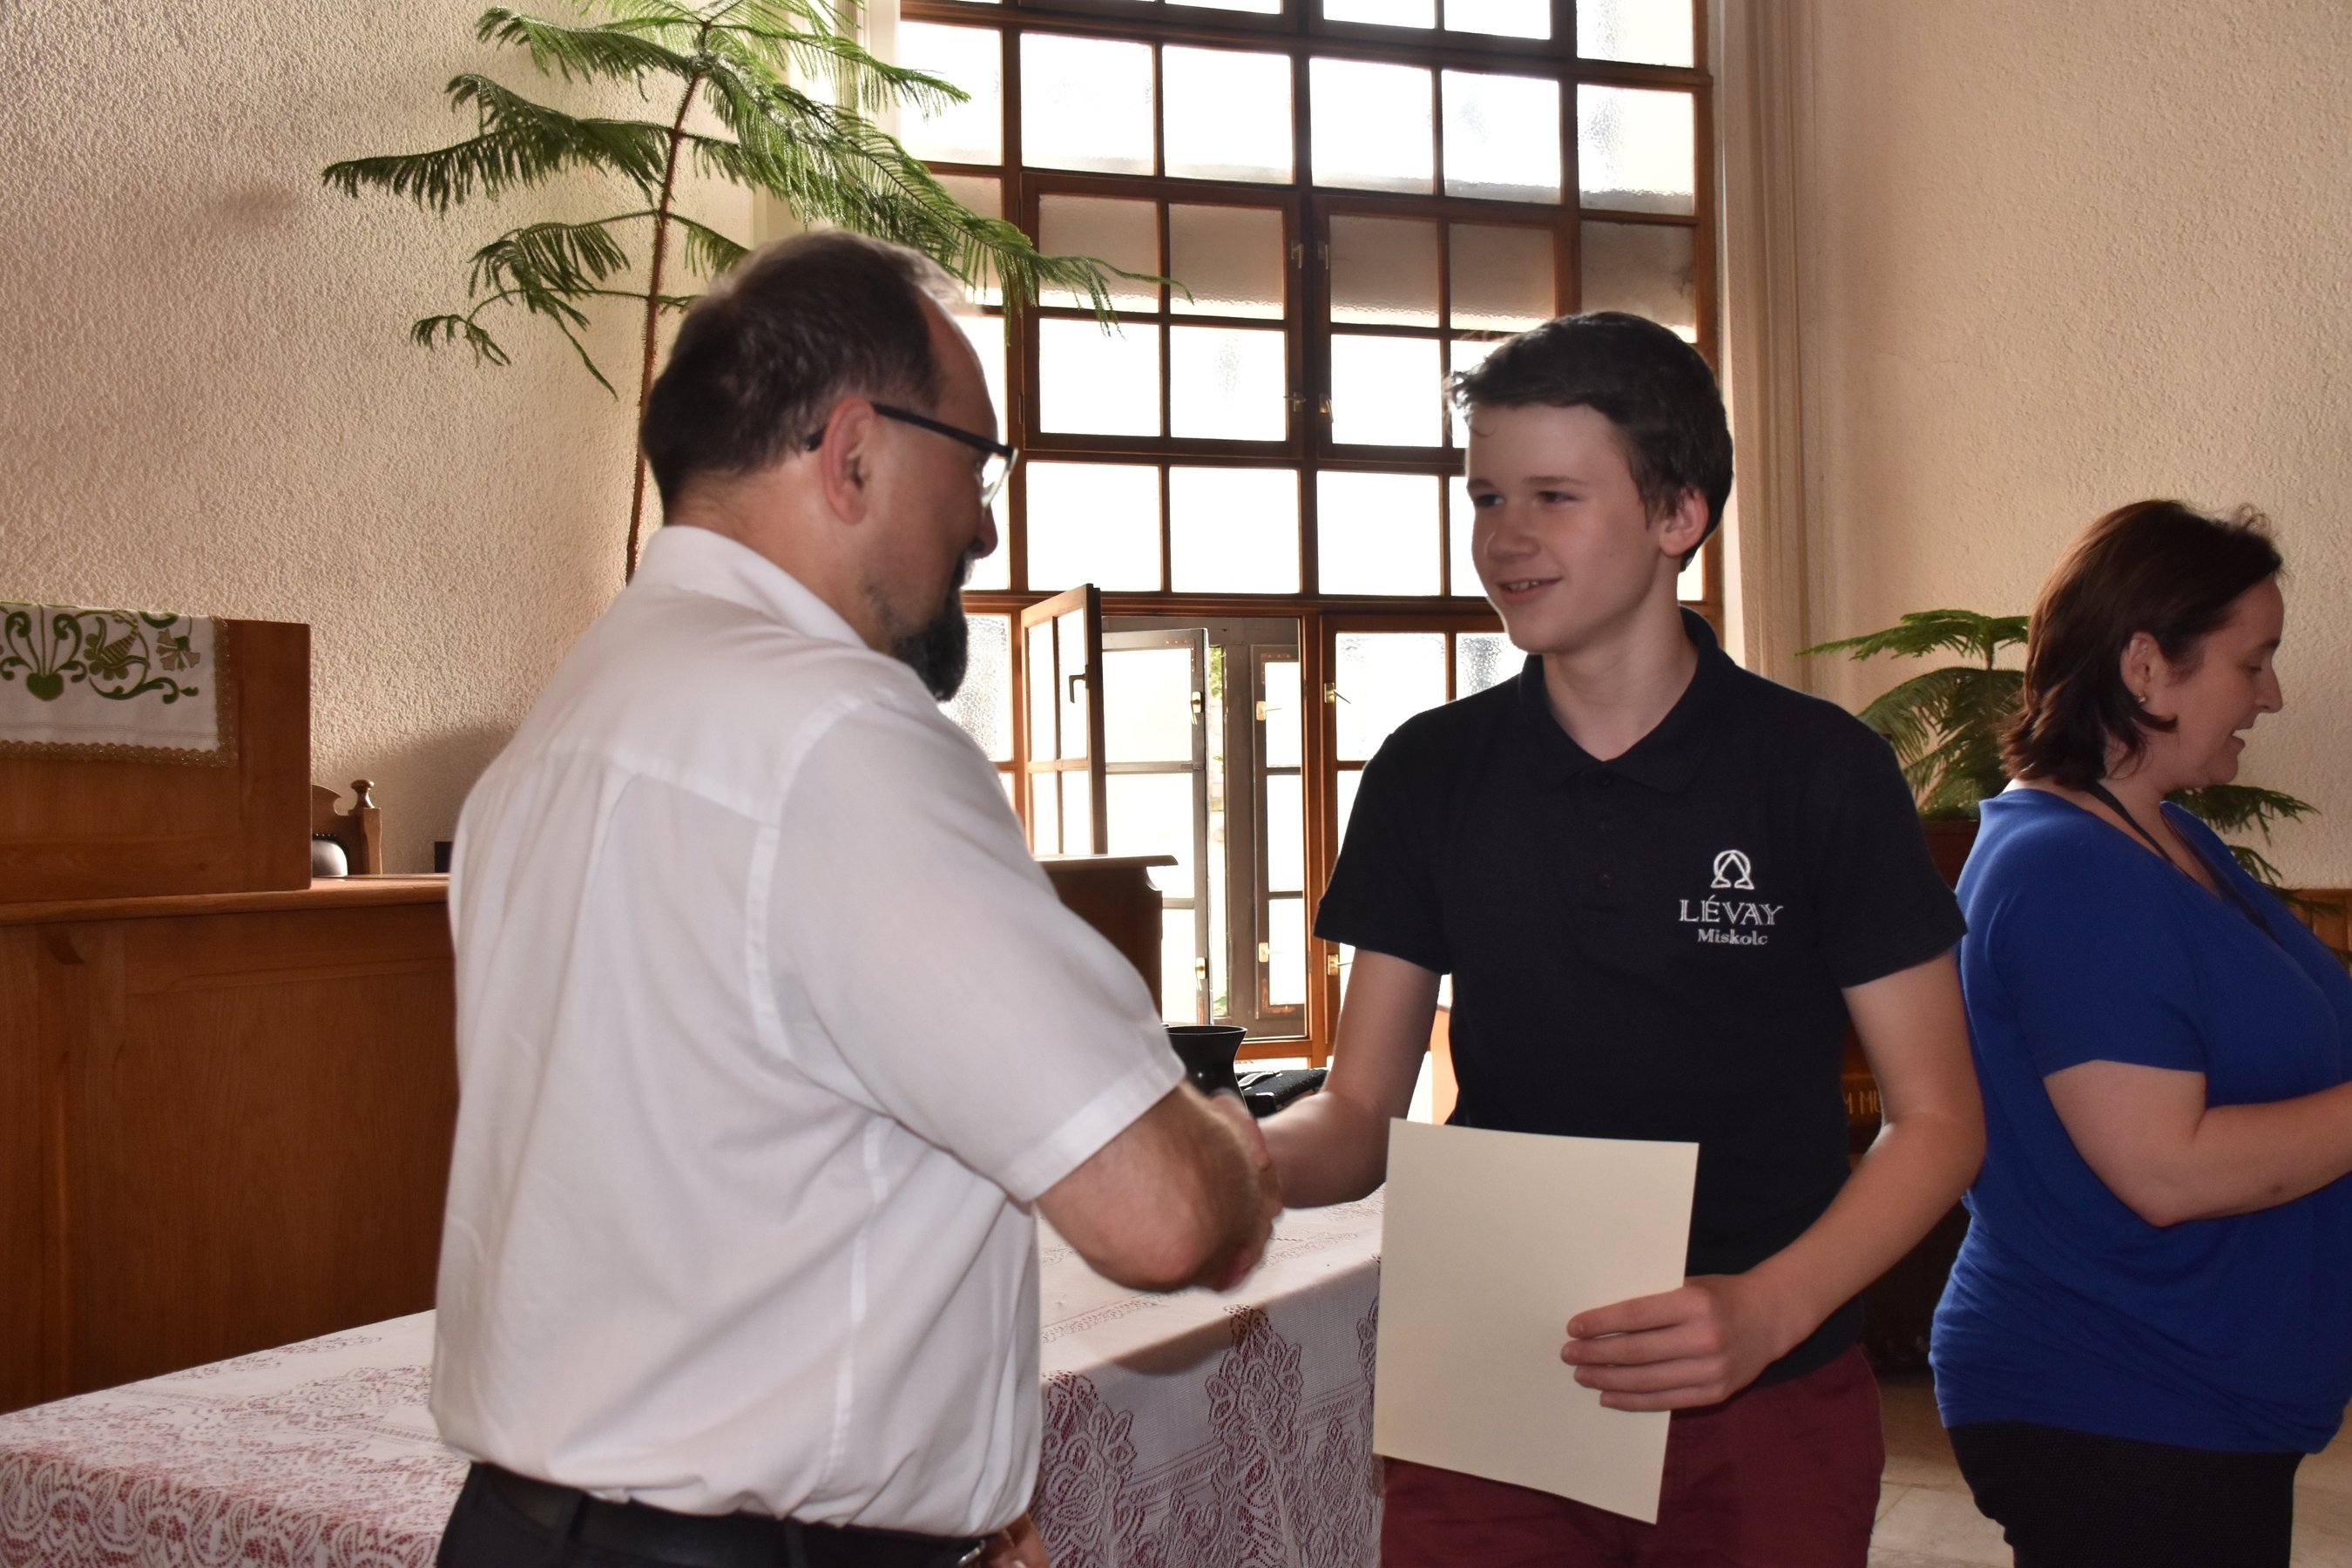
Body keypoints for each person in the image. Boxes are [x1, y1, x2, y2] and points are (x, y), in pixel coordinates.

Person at [429, 231, 1281, 1568]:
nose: (986, 523)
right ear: (855, 451)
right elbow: (1158, 1215)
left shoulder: (560, 736)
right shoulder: (835, 737)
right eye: (978, 463)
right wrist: (1231, 1152)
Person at [1260, 311, 1984, 1566]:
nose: (1504, 538)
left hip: (1763, 1386)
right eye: (1486, 497)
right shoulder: (1430, 771)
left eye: (1553, 496)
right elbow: (1359, 1111)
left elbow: (1940, 1121)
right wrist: (1224, 1160)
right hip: (1496, 1376)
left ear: (1677, 515)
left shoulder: (1820, 772)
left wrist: (1767, 1310)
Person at [1930, 501, 2352, 1568]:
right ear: (2147, 666)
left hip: (2197, 1390)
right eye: (2252, 662)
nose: (2271, 694)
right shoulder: (2068, 871)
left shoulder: (2162, 833)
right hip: (2118, 1399)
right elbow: (2168, 1169)